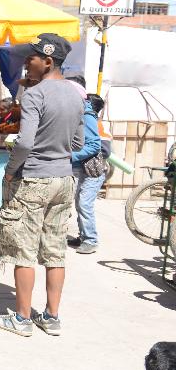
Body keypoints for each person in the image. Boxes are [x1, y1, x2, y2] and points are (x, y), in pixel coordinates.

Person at [0, 34, 84, 338]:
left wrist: (10, 170)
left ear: (48, 61)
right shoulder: (76, 95)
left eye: (31, 57)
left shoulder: (34, 95)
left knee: (23, 251)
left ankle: (22, 318)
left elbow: (26, 141)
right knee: (55, 250)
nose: (26, 62)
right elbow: (79, 143)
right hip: (63, 179)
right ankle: (52, 317)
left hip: (33, 180)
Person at [66, 77, 106, 255]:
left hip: (92, 169)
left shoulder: (86, 114)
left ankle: (91, 240)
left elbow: (93, 145)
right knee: (78, 202)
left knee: (84, 203)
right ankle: (83, 236)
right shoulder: (75, 111)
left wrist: (70, 155)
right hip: (80, 167)